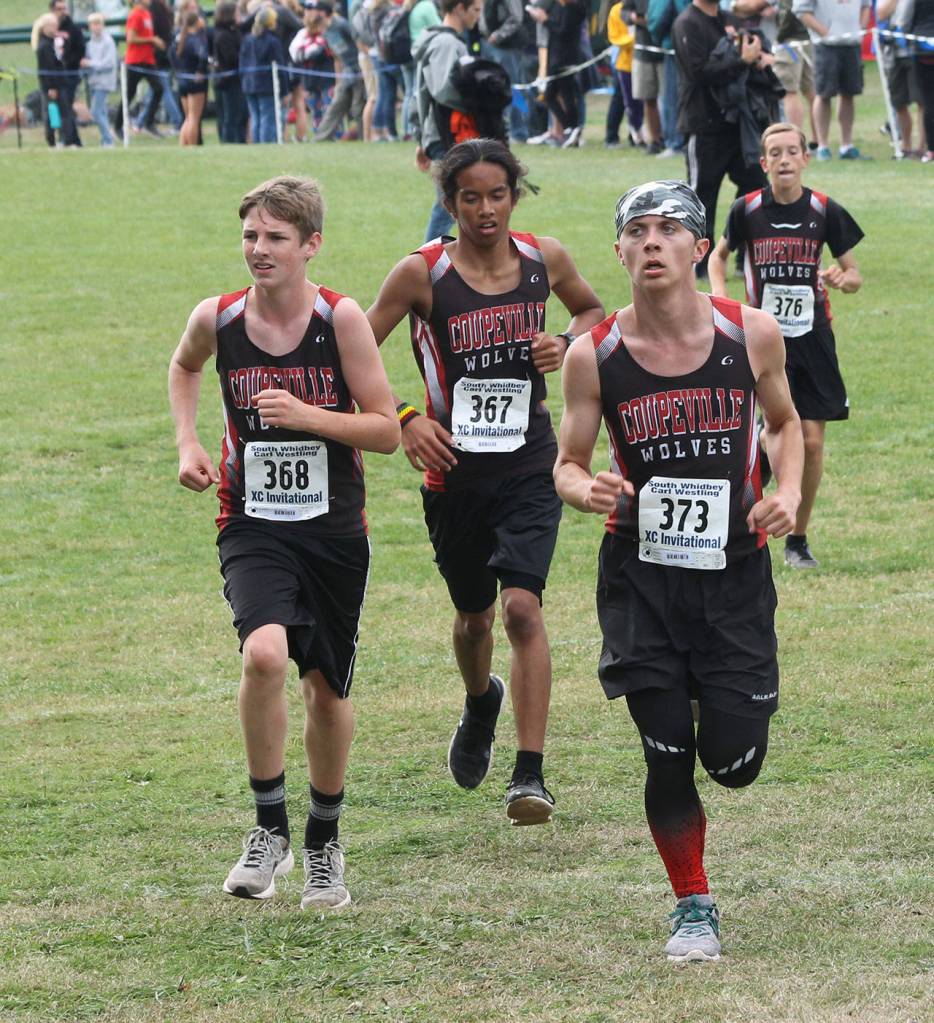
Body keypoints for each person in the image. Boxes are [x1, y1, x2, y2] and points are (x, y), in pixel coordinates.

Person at [553, 179, 804, 961]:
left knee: (732, 764)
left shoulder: (751, 331)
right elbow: (567, 460)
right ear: (621, 251)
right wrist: (581, 486)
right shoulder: (592, 355)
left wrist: (788, 488)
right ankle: (692, 904)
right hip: (641, 579)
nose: (653, 240)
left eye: (670, 229)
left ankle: (715, 701)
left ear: (700, 249)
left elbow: (786, 423)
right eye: (638, 229)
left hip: (735, 574)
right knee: (664, 746)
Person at [168, 176, 400, 909]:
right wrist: (188, 441)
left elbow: (387, 428)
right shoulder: (219, 317)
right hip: (253, 520)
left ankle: (325, 842)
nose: (258, 250)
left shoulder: (342, 319)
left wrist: (309, 415)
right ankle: (269, 827)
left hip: (333, 529)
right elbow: (183, 366)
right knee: (264, 651)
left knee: (325, 689)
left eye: (275, 238)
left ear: (310, 245)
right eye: (250, 236)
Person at [367, 139, 605, 825]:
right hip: (453, 475)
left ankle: (528, 775)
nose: (484, 209)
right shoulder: (421, 274)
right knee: (473, 618)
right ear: (449, 202)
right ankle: (480, 700)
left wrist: (565, 341)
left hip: (531, 462)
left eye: (496, 194)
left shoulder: (543, 258)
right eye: (469, 197)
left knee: (522, 609)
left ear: (514, 195)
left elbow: (592, 312)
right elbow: (351, 350)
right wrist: (407, 416)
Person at [708, 122, 863, 568]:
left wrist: (841, 277)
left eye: (792, 151)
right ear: (764, 163)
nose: (784, 160)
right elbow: (718, 256)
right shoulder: (747, 209)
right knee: (753, 437)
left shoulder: (825, 210)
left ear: (805, 158)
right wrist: (722, 297)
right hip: (762, 339)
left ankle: (797, 536)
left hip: (812, 338)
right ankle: (741, 521)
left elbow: (854, 274)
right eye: (775, 153)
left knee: (811, 441)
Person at [671, 0, 770, 276]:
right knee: (703, 196)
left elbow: (747, 53)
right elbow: (698, 73)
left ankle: (744, 257)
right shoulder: (686, 23)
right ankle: (699, 265)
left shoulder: (729, 18)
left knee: (756, 187)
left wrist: (761, 58)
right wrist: (742, 60)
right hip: (703, 124)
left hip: (737, 123)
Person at [412, 0, 486, 240]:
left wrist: (422, 139)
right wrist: (480, 103)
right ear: (459, 8)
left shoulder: (439, 40)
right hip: (449, 134)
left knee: (457, 199)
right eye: (475, 10)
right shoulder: (446, 43)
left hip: (440, 134)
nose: (478, 17)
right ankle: (427, 266)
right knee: (450, 203)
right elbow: (442, 90)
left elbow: (421, 94)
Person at [793, 0, 871, 160]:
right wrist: (826, 33)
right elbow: (801, 11)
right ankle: (823, 146)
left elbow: (866, 6)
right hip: (825, 45)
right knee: (823, 94)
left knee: (849, 93)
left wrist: (860, 29)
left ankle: (847, 146)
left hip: (851, 44)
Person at [527, 0, 586, 147]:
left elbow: (562, 32)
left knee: (566, 95)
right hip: (557, 57)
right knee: (550, 96)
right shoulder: (563, 7)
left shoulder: (574, 8)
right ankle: (570, 127)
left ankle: (572, 127)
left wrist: (545, 20)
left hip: (565, 58)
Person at [311, 0, 367, 141]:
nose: (310, 14)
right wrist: (338, 81)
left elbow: (358, 41)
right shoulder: (325, 30)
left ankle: (364, 137)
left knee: (358, 106)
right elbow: (336, 57)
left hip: (359, 68)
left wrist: (364, 67)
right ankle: (321, 138)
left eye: (314, 11)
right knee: (336, 105)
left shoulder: (341, 24)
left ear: (322, 13)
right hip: (346, 70)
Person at [115, 0, 166, 140]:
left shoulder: (147, 14)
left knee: (158, 89)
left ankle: (148, 122)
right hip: (135, 61)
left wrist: (154, 43)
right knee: (128, 96)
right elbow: (130, 38)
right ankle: (118, 126)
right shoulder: (135, 15)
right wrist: (152, 40)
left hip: (148, 60)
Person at [241, 6, 289, 143]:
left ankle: (258, 144)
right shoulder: (273, 41)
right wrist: (285, 91)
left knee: (256, 117)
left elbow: (242, 64)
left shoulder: (248, 39)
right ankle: (266, 144)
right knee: (267, 117)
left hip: (249, 84)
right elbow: (280, 67)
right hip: (267, 85)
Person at [33, 12, 72, 148]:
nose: (55, 28)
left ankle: (64, 139)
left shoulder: (54, 43)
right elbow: (47, 69)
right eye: (52, 25)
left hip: (60, 83)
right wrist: (51, 87)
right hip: (52, 86)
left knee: (62, 113)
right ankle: (54, 140)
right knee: (53, 113)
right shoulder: (44, 46)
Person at [213, 1, 249, 144]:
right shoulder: (224, 35)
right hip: (229, 81)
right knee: (231, 115)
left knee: (239, 114)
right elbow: (231, 59)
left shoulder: (233, 32)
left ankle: (240, 139)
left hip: (235, 79)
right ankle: (229, 141)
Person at [50, 0, 84, 147]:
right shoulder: (48, 28)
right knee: (62, 107)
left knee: (66, 106)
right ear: (52, 10)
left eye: (64, 8)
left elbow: (80, 50)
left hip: (70, 74)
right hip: (53, 75)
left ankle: (67, 139)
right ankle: (74, 140)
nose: (62, 11)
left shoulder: (74, 29)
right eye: (59, 9)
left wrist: (67, 63)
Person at [81, 13, 118, 147]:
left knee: (95, 112)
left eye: (98, 24)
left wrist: (90, 63)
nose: (96, 27)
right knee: (101, 111)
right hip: (93, 81)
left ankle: (108, 139)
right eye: (93, 24)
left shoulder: (108, 42)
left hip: (104, 82)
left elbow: (109, 63)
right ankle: (105, 139)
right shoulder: (90, 43)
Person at [173, 11, 209, 145]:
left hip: (182, 79)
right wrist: (200, 70)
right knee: (194, 117)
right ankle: (192, 145)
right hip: (194, 81)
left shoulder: (179, 38)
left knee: (188, 117)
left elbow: (172, 57)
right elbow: (203, 56)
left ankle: (183, 144)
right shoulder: (195, 39)